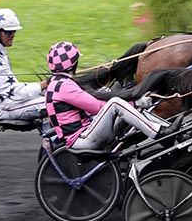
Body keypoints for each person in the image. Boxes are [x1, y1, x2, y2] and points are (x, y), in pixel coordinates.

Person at [44, 41, 182, 151]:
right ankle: (159, 133)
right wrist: (135, 103)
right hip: (82, 139)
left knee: (126, 108)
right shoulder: (63, 86)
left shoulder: (58, 83)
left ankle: (171, 131)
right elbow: (98, 107)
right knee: (115, 103)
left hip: (83, 134)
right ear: (74, 64)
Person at [0, 8, 47, 123]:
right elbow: (15, 93)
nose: (13, 35)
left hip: (3, 103)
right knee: (56, 102)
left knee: (49, 94)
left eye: (14, 31)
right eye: (8, 32)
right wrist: (44, 84)